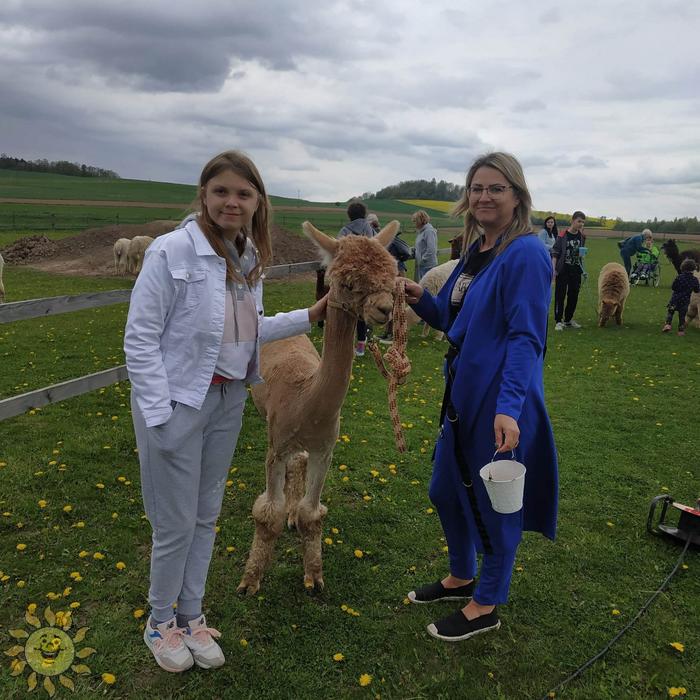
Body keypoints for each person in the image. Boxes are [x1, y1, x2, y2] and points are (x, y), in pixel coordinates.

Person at [124, 150, 327, 673]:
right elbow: (140, 339)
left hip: (225, 402)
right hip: (178, 404)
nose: (231, 202)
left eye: (243, 193)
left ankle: (191, 615)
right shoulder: (171, 252)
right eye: (221, 191)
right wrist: (159, 415)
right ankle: (159, 621)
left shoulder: (246, 260)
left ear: (258, 201)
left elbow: (247, 332)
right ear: (204, 195)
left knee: (205, 516)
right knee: (174, 523)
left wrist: (310, 314)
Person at [403, 152, 557, 642]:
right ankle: (461, 574)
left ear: (517, 196)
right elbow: (454, 322)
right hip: (463, 394)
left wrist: (509, 407)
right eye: (476, 188)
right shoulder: (477, 250)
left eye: (496, 188)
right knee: (445, 490)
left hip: (499, 397)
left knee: (496, 504)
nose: (484, 196)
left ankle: (486, 603)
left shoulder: (525, 254)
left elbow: (526, 338)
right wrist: (420, 299)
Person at [338, 200, 375, 355]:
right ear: (364, 214)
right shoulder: (369, 229)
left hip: (349, 278)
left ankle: (345, 345)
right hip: (366, 276)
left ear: (349, 215)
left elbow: (339, 252)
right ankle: (361, 347)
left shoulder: (344, 231)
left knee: (346, 310)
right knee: (362, 312)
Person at [551, 211, 586, 330]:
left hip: (576, 270)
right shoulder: (562, 235)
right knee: (560, 295)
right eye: (579, 221)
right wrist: (553, 270)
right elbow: (555, 253)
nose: (581, 224)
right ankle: (558, 321)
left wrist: (582, 255)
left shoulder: (582, 236)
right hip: (563, 270)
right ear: (572, 221)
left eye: (583, 222)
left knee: (573, 295)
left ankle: (568, 320)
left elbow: (581, 253)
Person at [663, 258, 699, 336]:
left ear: (683, 267)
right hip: (685, 301)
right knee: (682, 316)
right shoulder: (694, 280)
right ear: (694, 269)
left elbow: (673, 287)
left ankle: (668, 325)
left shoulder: (679, 277)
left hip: (675, 299)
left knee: (670, 312)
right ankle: (681, 331)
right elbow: (697, 290)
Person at [412, 210, 438, 279]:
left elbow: (431, 249)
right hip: (423, 266)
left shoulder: (429, 231)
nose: (414, 223)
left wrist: (422, 260)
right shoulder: (422, 232)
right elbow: (420, 247)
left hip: (428, 266)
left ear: (420, 220)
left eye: (415, 221)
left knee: (428, 285)